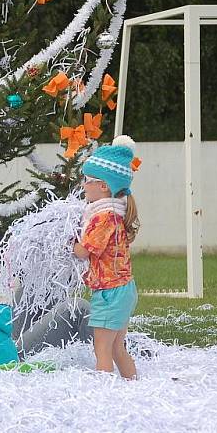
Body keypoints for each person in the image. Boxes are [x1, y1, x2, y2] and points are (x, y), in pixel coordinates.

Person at [72, 135, 139, 379]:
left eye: (87, 181)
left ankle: (104, 395)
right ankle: (133, 385)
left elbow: (83, 251)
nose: (83, 186)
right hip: (121, 289)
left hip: (110, 292)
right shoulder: (113, 213)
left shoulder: (103, 218)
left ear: (104, 186)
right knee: (116, 347)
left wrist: (68, 240)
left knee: (102, 349)